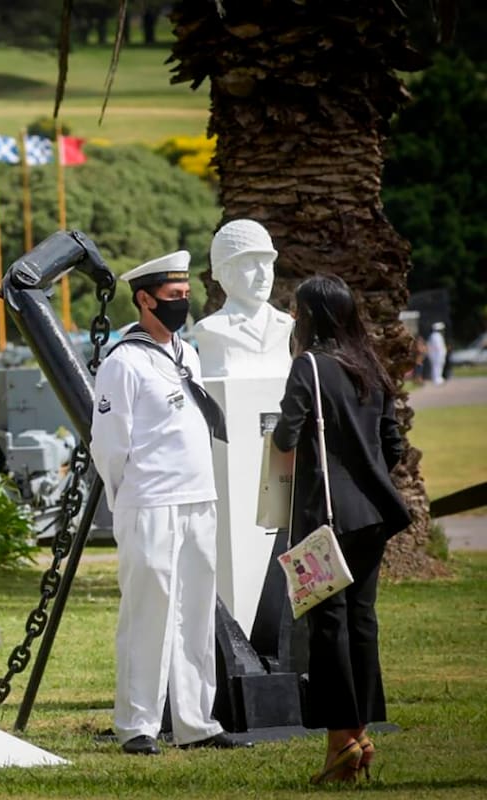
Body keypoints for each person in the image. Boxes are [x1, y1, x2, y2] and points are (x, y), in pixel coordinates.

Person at [90, 251, 247, 755]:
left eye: (186, 295)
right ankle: (137, 724)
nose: (184, 304)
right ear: (144, 299)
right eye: (174, 297)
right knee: (148, 611)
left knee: (196, 611)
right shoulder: (124, 362)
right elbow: (109, 444)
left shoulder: (187, 354)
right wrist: (126, 498)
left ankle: (196, 721)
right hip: (150, 501)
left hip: (199, 496)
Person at [272, 274, 410, 783]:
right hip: (374, 514)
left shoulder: (307, 365)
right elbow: (392, 444)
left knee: (327, 630)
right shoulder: (369, 364)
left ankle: (341, 745)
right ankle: (362, 734)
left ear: (311, 316)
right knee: (361, 623)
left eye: (297, 311)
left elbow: (287, 433)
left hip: (324, 516)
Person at [194, 219, 295, 378]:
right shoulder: (211, 329)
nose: (263, 276)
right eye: (250, 265)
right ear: (226, 273)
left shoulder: (284, 323)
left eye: (267, 264)